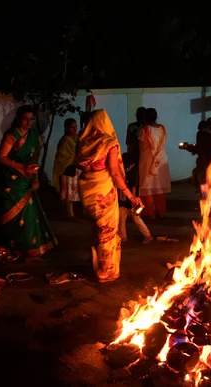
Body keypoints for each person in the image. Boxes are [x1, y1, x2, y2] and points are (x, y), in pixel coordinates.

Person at [77, 109, 143, 283]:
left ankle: (96, 264)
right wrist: (130, 196)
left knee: (97, 230)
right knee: (106, 231)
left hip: (88, 192)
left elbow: (78, 165)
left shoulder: (83, 141)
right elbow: (114, 173)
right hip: (103, 192)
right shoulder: (108, 142)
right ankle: (104, 271)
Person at [0, 105, 57, 259]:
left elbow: (34, 160)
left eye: (31, 119)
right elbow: (1, 157)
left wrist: (35, 179)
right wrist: (19, 167)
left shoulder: (34, 135)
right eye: (25, 119)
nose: (29, 122)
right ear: (18, 119)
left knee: (29, 215)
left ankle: (30, 249)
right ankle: (13, 249)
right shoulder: (12, 135)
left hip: (27, 179)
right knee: (13, 216)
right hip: (12, 181)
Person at [138, 108, 171, 219]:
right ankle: (161, 211)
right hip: (161, 157)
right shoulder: (162, 128)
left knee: (147, 184)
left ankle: (149, 212)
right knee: (159, 185)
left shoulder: (145, 129)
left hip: (148, 157)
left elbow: (141, 146)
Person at [181, 120, 211, 197]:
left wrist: (188, 147)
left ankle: (205, 193)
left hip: (206, 163)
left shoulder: (202, 134)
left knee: (201, 177)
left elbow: (200, 148)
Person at [119, 152, 152, 243]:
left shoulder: (134, 173)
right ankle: (123, 236)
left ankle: (147, 235)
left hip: (131, 201)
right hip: (122, 201)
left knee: (136, 219)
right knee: (121, 219)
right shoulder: (122, 172)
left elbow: (134, 187)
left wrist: (133, 201)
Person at [52, 118, 80, 219]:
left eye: (76, 127)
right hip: (67, 168)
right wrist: (71, 159)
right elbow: (61, 156)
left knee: (75, 191)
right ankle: (69, 213)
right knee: (69, 192)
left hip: (76, 167)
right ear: (67, 128)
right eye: (72, 127)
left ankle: (77, 212)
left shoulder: (76, 138)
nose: (75, 129)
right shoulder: (65, 140)